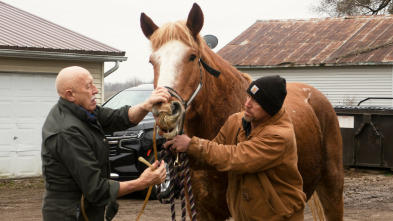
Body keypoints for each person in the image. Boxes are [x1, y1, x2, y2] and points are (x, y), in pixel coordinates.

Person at [164, 75, 307, 220]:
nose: (247, 104)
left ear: (270, 108)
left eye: (256, 101)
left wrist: (191, 144)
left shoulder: (280, 136)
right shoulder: (236, 122)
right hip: (246, 215)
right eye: (248, 97)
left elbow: (237, 158)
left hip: (278, 217)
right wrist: (182, 152)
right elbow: (213, 155)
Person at [41, 66, 169, 221]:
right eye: (88, 86)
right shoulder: (66, 132)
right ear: (70, 95)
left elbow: (119, 117)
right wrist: (142, 182)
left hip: (87, 210)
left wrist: (146, 105)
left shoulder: (84, 112)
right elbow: (97, 189)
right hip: (71, 214)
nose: (95, 90)